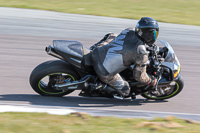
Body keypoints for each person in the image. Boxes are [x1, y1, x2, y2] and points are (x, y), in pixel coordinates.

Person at [90, 17, 159, 99]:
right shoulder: (141, 52)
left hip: (98, 51)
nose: (155, 36)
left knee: (112, 35)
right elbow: (139, 75)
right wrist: (150, 81)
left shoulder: (129, 30)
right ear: (148, 34)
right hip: (103, 69)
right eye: (154, 33)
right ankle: (99, 87)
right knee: (126, 90)